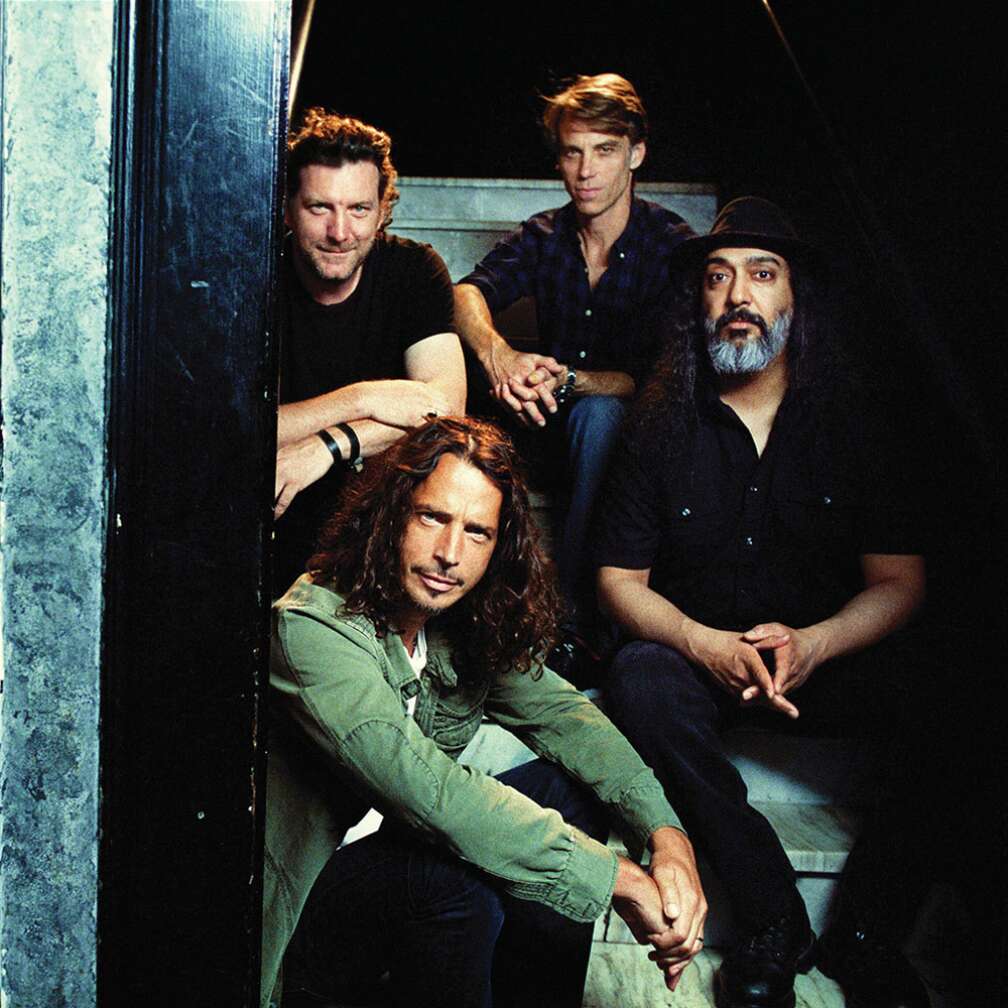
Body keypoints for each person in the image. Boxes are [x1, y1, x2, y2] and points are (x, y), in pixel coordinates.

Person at [595, 197, 930, 1008]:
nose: (737, 294)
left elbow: (901, 582)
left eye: (762, 274)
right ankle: (773, 917)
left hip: (816, 661)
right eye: (718, 277)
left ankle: (867, 933)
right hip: (702, 661)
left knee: (965, 690)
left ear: (795, 298)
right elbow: (617, 582)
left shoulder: (852, 424)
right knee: (639, 678)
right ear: (698, 302)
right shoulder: (657, 424)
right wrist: (703, 643)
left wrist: (816, 643)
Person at [261, 416, 707, 1008]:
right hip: (307, 911)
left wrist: (667, 837)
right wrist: (617, 880)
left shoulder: (455, 624)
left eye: (477, 532)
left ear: (500, 547)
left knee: (569, 790)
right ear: (390, 514)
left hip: (389, 863)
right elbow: (433, 794)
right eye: (432, 517)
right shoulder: (311, 628)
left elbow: (564, 716)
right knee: (449, 878)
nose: (450, 554)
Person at [454, 73, 694, 677]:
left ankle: (572, 625)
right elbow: (464, 294)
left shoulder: (672, 247)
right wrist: (501, 357)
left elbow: (668, 377)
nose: (585, 171)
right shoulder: (546, 235)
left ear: (636, 154)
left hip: (629, 442)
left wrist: (574, 381)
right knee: (450, 381)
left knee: (602, 414)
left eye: (604, 151)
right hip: (543, 420)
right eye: (572, 152)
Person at [272, 109, 466, 597]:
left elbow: (446, 413)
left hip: (377, 511)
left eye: (359, 209)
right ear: (288, 209)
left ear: (382, 212)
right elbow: (229, 432)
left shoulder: (413, 271)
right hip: (274, 504)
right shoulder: (255, 273)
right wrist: (362, 398)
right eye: (319, 207)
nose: (340, 232)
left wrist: (327, 445)